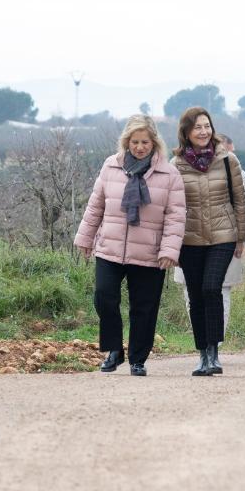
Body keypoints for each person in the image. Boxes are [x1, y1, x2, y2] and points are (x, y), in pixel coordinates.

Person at [74, 114, 186, 377]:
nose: (139, 147)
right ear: (126, 142)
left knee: (144, 307)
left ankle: (138, 358)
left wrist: (169, 250)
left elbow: (176, 216)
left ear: (154, 142)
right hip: (110, 248)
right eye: (135, 142)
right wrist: (85, 238)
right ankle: (114, 349)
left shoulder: (169, 174)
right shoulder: (110, 166)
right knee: (104, 297)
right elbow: (96, 205)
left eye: (145, 142)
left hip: (149, 251)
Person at [173, 107, 245, 376]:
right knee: (195, 295)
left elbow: (240, 201)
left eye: (207, 126)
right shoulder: (176, 165)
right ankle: (202, 354)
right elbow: (171, 208)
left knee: (211, 288)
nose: (204, 131)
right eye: (198, 127)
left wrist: (241, 236)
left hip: (223, 235)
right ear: (186, 132)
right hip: (189, 238)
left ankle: (214, 352)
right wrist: (171, 244)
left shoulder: (228, 160)